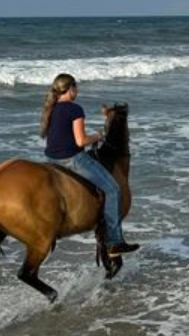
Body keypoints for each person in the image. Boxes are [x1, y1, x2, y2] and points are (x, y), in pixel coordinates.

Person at [40, 73, 139, 256]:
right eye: (76, 88)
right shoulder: (74, 109)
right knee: (113, 189)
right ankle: (115, 241)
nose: (77, 91)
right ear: (70, 89)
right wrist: (98, 136)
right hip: (71, 159)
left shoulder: (52, 108)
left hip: (51, 159)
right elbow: (80, 141)